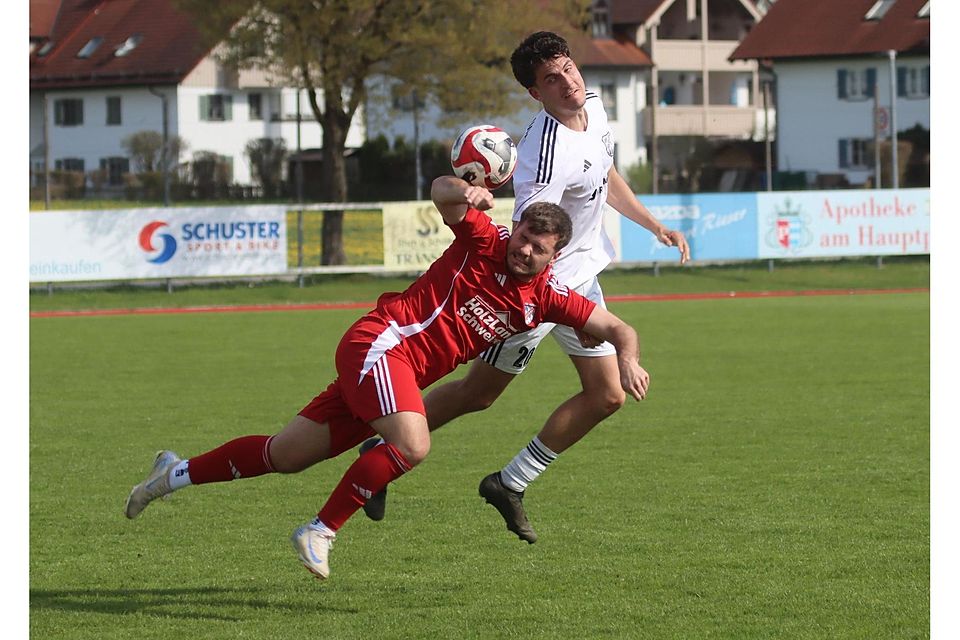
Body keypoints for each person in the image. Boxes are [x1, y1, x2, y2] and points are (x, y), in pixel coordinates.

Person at [124, 175, 652, 580]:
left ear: (555, 256)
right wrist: (465, 190)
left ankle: (170, 475)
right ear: (515, 231)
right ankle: (320, 530)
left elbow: (617, 328)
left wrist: (627, 358)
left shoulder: (550, 298)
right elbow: (440, 192)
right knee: (414, 442)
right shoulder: (484, 241)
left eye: (539, 247)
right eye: (524, 237)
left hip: (393, 372)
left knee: (285, 455)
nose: (525, 250)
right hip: (381, 343)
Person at [360, 31, 690, 543]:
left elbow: (606, 173)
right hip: (538, 292)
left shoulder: (594, 107)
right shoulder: (544, 154)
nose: (567, 82)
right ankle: (383, 450)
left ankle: (509, 483)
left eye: (568, 68)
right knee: (478, 395)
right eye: (551, 79)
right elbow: (527, 235)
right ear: (536, 93)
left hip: (579, 280)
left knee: (606, 395)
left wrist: (653, 225)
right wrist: (553, 306)